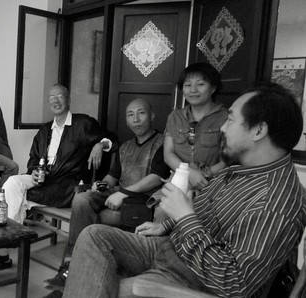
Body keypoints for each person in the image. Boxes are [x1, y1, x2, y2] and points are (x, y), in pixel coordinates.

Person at [60, 83, 306, 298]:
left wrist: (185, 218)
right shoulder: (240, 168)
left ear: (259, 131)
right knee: (94, 236)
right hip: (174, 250)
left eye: (230, 120)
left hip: (193, 279)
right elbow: (202, 208)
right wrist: (164, 226)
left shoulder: (276, 203)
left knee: (109, 288)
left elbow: (233, 283)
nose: (222, 128)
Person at [43, 98, 171, 297]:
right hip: (121, 193)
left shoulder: (162, 143)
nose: (136, 119)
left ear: (152, 115)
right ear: (126, 120)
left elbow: (155, 179)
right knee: (83, 198)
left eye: (141, 113)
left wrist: (124, 193)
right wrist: (100, 185)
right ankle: (70, 263)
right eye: (130, 114)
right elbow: (113, 177)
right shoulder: (126, 146)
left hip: (143, 199)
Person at [0, 84, 117, 267]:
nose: (56, 100)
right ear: (48, 102)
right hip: (43, 179)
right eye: (52, 97)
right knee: (12, 183)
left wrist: (100, 145)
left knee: (18, 197)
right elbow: (34, 159)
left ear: (68, 100)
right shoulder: (44, 130)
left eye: (60, 96)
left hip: (66, 183)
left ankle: (3, 251)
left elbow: (112, 139)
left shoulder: (83, 123)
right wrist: (34, 171)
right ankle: (2, 247)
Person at [164, 62, 227, 192]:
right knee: (162, 211)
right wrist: (189, 174)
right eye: (188, 85)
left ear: (213, 88)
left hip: (213, 184)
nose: (193, 90)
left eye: (200, 84)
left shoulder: (226, 117)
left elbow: (228, 159)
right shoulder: (175, 117)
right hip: (179, 181)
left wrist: (202, 176)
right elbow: (168, 153)